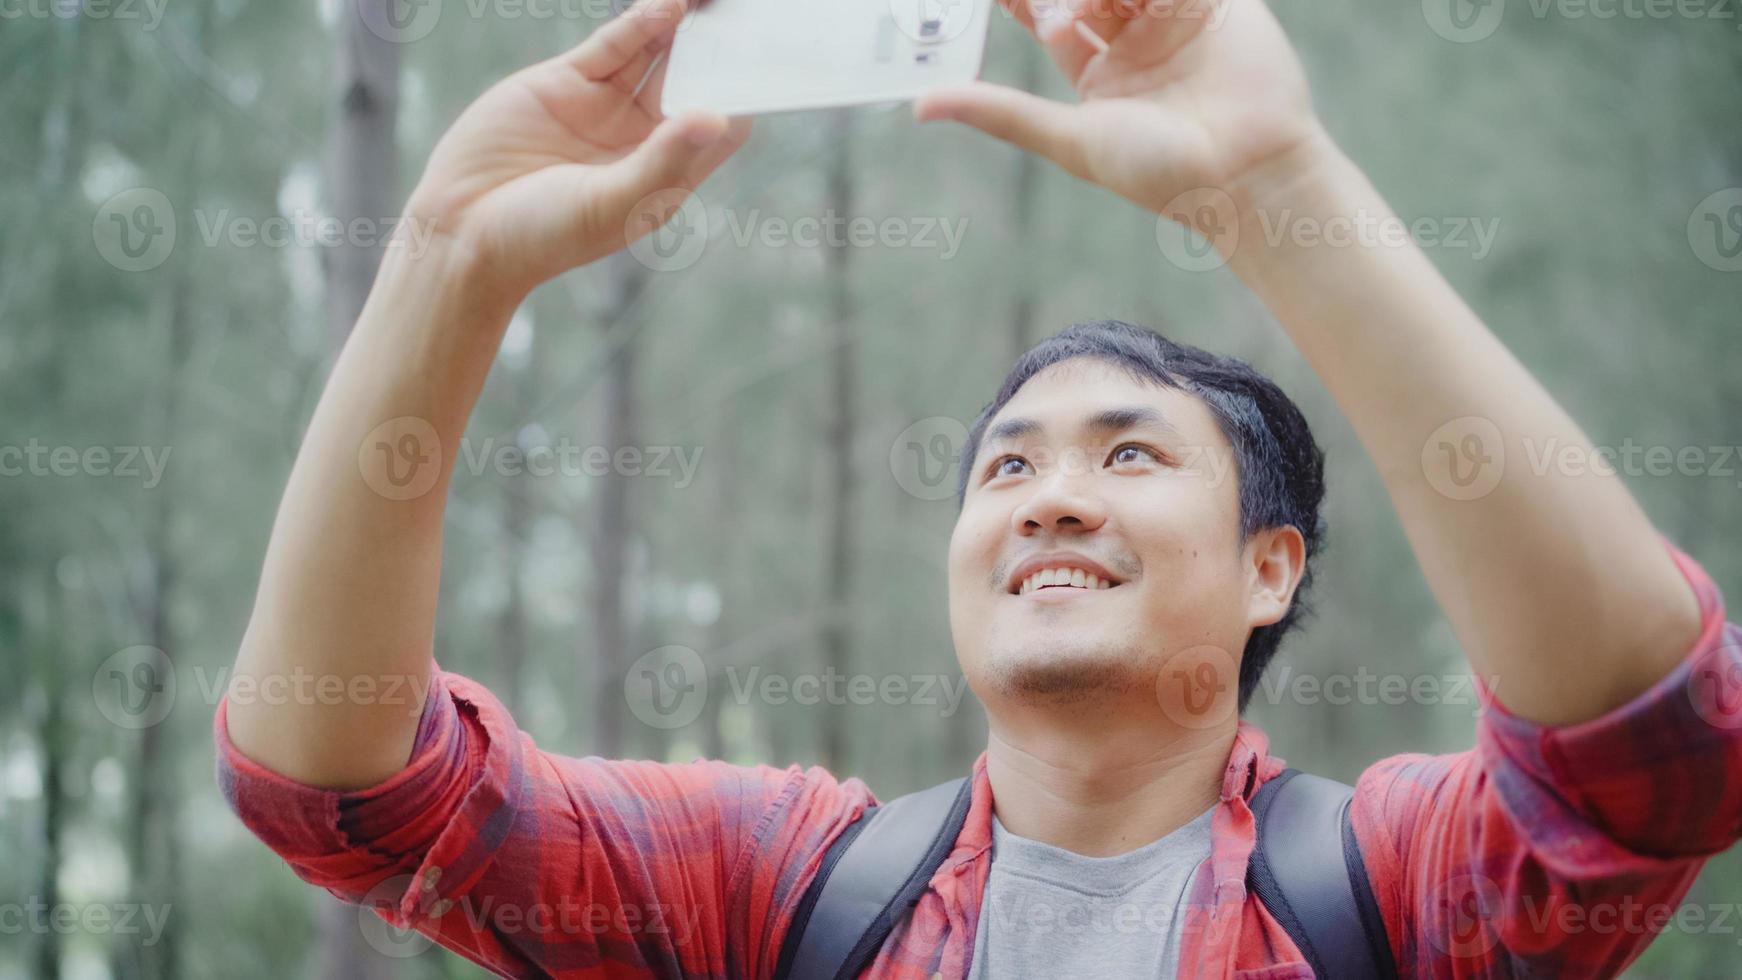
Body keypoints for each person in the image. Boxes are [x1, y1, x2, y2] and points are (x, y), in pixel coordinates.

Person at [214, 0, 1742, 975]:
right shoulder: (781, 894)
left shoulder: (1382, 893)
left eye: (1128, 453)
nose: (1049, 498)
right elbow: (346, 792)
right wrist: (447, 265)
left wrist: (1272, 189)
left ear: (1270, 568)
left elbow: (1646, 761)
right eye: (1006, 464)